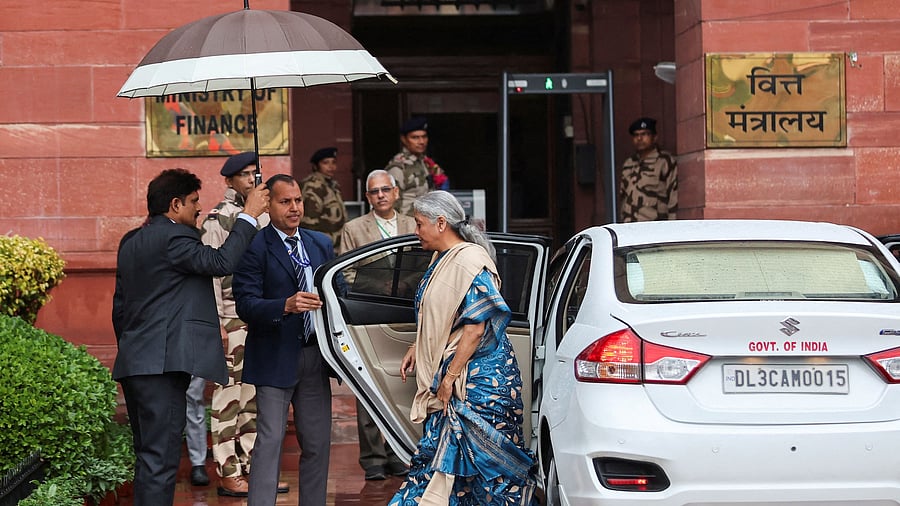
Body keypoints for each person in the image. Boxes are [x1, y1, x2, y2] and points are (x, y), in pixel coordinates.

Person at [112, 168, 268, 505]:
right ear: (175, 204)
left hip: (136, 362)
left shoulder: (131, 241)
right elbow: (220, 261)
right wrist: (250, 215)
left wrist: (130, 348)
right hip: (162, 365)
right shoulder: (175, 237)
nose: (199, 209)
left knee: (148, 457)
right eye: (194, 202)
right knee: (162, 459)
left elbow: (120, 309)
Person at [392, 190, 538, 505]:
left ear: (441, 223)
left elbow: (475, 326)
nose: (415, 232)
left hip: (478, 383)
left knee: (483, 473)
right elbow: (445, 314)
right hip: (462, 373)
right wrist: (419, 345)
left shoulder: (469, 261)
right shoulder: (441, 259)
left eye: (419, 225)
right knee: (453, 472)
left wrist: (448, 380)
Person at [232, 174, 335, 506]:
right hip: (274, 356)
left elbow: (339, 294)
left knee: (317, 443)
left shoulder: (320, 243)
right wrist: (285, 305)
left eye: (299, 200)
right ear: (269, 205)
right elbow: (245, 304)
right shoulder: (254, 245)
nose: (295, 208)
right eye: (285, 201)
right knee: (271, 440)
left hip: (315, 356)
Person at [198, 152, 291, 497]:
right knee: (228, 399)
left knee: (254, 396)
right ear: (230, 181)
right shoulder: (218, 219)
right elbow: (209, 274)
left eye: (256, 174)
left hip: (260, 316)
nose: (253, 180)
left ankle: (254, 467)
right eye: (246, 175)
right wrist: (217, 325)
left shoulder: (265, 217)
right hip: (230, 319)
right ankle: (228, 470)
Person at [338, 169, 415, 481]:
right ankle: (372, 457)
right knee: (368, 381)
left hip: (407, 310)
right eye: (374, 192)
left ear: (396, 193)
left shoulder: (412, 224)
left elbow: (426, 262)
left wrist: (402, 286)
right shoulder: (354, 228)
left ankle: (401, 451)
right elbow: (345, 270)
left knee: (404, 379)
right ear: (367, 197)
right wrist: (377, 287)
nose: (381, 195)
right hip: (369, 312)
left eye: (385, 190)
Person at [385, 117, 449, 217]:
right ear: (404, 139)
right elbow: (389, 203)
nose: (421, 141)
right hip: (407, 224)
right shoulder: (399, 167)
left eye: (424, 137)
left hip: (426, 222)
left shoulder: (426, 162)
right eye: (415, 137)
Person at [619, 117, 678, 222]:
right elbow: (623, 197)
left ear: (654, 137)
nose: (640, 138)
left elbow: (674, 197)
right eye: (636, 135)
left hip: (654, 227)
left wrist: (672, 226)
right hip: (629, 227)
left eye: (644, 134)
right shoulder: (629, 163)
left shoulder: (664, 161)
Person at [300, 146, 347, 251]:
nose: (331, 166)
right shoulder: (313, 186)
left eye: (333, 162)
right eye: (326, 163)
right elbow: (308, 222)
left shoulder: (331, 185)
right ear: (316, 166)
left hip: (334, 246)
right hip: (321, 246)